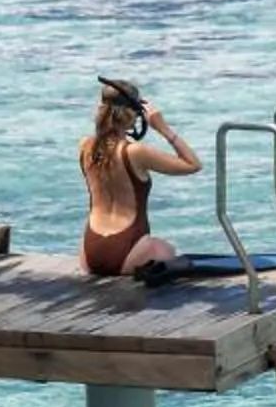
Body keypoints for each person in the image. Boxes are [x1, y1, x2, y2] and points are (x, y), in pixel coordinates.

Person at [79, 76, 202, 277]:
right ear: (133, 115)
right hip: (127, 250)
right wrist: (163, 128)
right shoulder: (134, 152)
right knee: (167, 250)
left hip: (91, 251)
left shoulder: (85, 146)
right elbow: (193, 164)